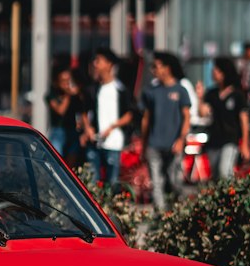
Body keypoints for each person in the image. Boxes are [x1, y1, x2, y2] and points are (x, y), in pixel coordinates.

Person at [140, 51, 191, 208]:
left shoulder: (181, 90)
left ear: (167, 68)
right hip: (154, 144)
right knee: (156, 182)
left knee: (174, 180)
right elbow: (146, 119)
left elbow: (187, 117)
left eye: (156, 66)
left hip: (174, 144)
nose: (153, 70)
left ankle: (180, 207)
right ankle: (160, 214)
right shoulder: (151, 92)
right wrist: (144, 144)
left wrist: (181, 140)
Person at [84, 48, 133, 189]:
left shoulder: (120, 89)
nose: (95, 64)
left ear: (109, 64)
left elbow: (129, 114)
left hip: (113, 142)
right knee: (92, 182)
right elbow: (84, 111)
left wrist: (112, 127)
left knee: (112, 182)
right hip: (94, 141)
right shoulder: (92, 89)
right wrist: (88, 128)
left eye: (99, 61)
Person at [199, 56, 250, 180]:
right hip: (214, 140)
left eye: (216, 70)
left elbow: (244, 120)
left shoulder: (237, 94)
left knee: (225, 171)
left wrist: (244, 143)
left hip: (230, 140)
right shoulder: (211, 94)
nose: (213, 72)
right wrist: (200, 97)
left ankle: (232, 197)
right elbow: (203, 113)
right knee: (216, 175)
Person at [46, 66, 85, 167]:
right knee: (55, 162)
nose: (67, 84)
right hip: (58, 131)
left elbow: (83, 110)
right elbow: (60, 110)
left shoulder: (75, 96)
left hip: (72, 131)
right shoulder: (51, 95)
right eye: (63, 81)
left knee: (71, 164)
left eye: (69, 80)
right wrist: (68, 95)